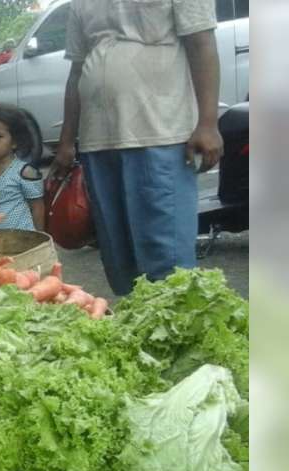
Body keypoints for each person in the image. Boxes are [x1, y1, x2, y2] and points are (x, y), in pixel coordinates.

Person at [52, 0, 223, 295]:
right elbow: (76, 72)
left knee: (166, 256)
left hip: (159, 135)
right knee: (119, 254)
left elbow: (201, 43)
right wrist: (67, 140)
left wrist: (208, 123)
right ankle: (138, 328)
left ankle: (175, 328)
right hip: (97, 143)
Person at [0, 105, 45, 231]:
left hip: (23, 240)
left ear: (14, 142)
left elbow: (37, 208)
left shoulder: (24, 173)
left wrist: (39, 240)